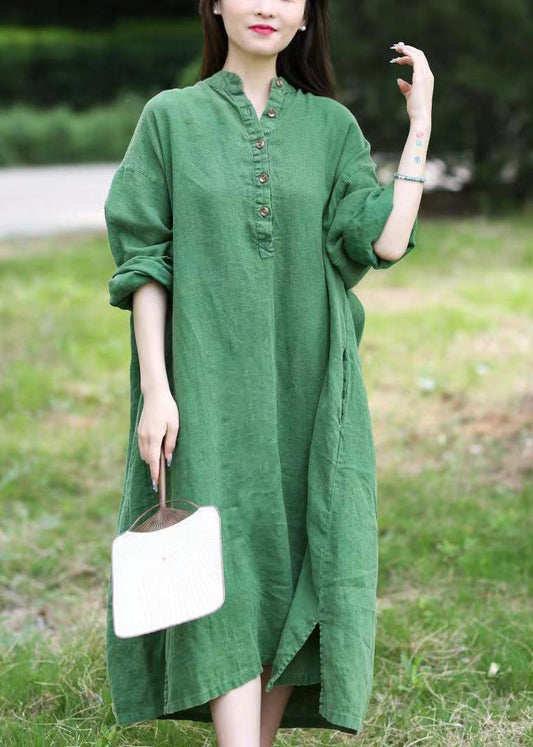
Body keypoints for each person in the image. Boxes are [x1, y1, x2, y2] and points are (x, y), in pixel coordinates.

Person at [103, 0, 434, 744]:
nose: (264, 5)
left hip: (308, 384)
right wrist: (156, 390)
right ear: (214, 4)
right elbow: (145, 261)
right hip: (204, 382)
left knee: (290, 558)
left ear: (306, 16)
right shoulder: (170, 118)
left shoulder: (331, 127)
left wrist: (419, 127)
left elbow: (382, 243)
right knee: (224, 555)